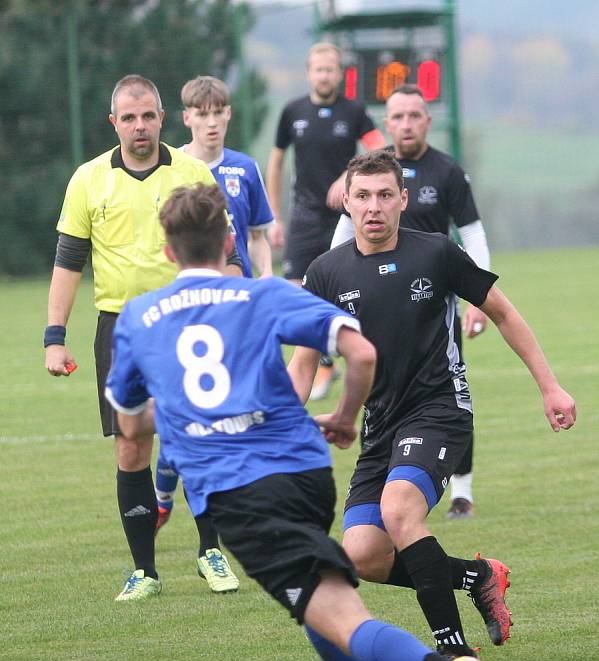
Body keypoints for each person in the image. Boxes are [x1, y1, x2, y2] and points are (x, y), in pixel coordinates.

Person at [103, 182, 523, 661]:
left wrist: (177, 416)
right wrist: (347, 417)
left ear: (168, 251)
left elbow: (132, 426)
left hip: (236, 490)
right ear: (228, 239)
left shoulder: (140, 317)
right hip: (304, 471)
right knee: (319, 586)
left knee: (338, 613)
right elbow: (361, 353)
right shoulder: (262, 294)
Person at [289, 151, 576, 660]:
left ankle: (454, 652)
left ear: (403, 199)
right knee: (363, 555)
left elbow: (505, 315)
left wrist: (550, 387)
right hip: (380, 427)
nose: (373, 207)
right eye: (362, 196)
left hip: (440, 410)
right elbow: (304, 361)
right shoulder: (326, 272)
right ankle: (478, 575)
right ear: (347, 204)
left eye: (384, 195)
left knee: (399, 510)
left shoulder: (437, 252)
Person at [44, 74, 242, 600]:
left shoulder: (193, 172)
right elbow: (68, 261)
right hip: (121, 328)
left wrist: (238, 310)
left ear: (162, 118)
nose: (139, 126)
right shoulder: (88, 179)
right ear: (114, 122)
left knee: (202, 434)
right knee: (132, 446)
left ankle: (211, 552)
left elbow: (229, 251)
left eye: (148, 116)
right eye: (128, 117)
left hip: (189, 320)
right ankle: (145, 571)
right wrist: (54, 337)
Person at [331, 83, 491, 520]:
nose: (406, 124)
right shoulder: (371, 173)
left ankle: (462, 488)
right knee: (376, 383)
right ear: (387, 124)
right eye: (397, 116)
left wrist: (476, 299)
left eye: (414, 116)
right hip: (373, 300)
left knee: (448, 383)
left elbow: (472, 232)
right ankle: (385, 472)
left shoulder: (447, 171)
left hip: (433, 298)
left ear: (427, 121)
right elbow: (344, 237)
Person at [152, 75, 275, 533]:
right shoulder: (173, 169)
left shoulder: (244, 168)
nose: (210, 122)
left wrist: (264, 280)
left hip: (235, 306)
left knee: (231, 408)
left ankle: (226, 510)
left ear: (228, 115)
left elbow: (258, 237)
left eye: (217, 112)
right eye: (200, 114)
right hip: (183, 311)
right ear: (186, 119)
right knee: (184, 409)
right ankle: (165, 491)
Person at [266, 42, 385, 400]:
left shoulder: (354, 111)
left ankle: (356, 362)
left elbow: (381, 148)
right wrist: (274, 215)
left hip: (345, 217)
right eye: (319, 69)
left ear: (340, 73)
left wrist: (348, 175)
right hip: (303, 217)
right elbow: (275, 164)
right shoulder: (292, 112)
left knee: (347, 288)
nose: (325, 75)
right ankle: (323, 364)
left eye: (331, 69)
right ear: (309, 72)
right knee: (296, 294)